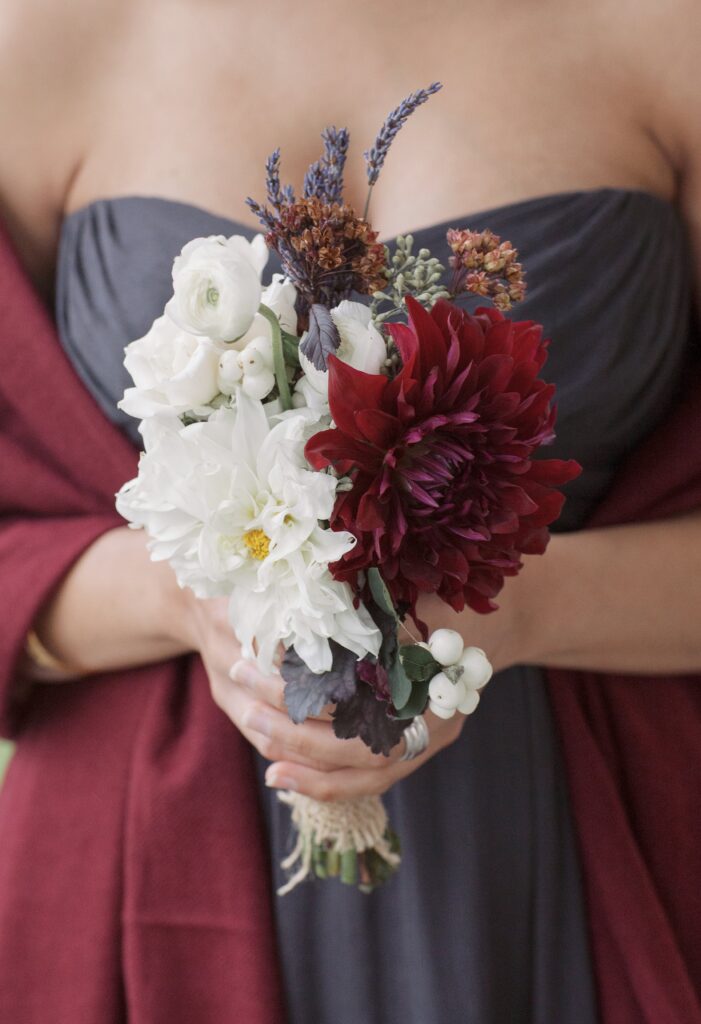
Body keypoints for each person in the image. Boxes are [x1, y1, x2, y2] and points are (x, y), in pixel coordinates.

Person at [1, 1, 701, 1021]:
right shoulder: (45, 38)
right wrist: (182, 596)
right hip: (140, 886)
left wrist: (519, 611)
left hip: (583, 854)